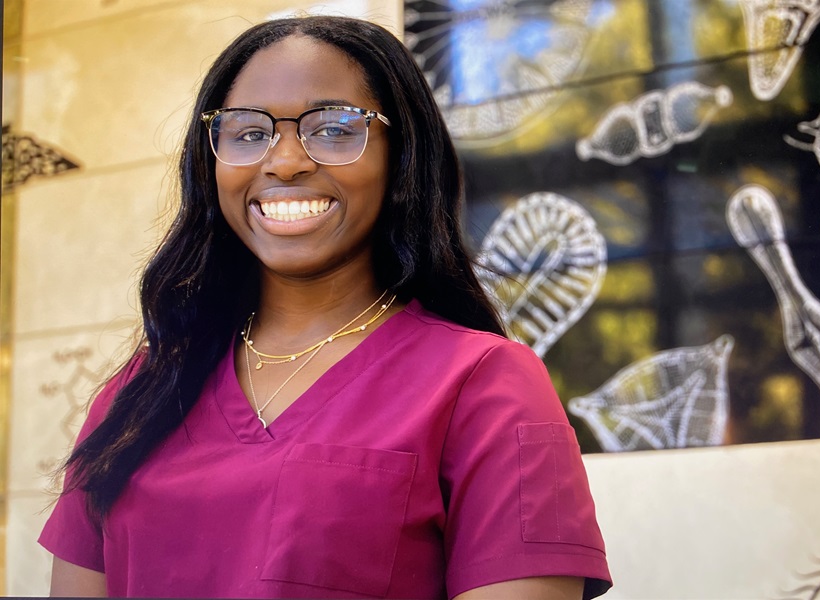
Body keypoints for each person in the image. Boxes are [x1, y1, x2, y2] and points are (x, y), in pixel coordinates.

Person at [39, 15, 611, 599]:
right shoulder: (141, 388)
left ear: (401, 158)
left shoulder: (484, 383)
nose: (285, 161)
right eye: (248, 132)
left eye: (335, 129)